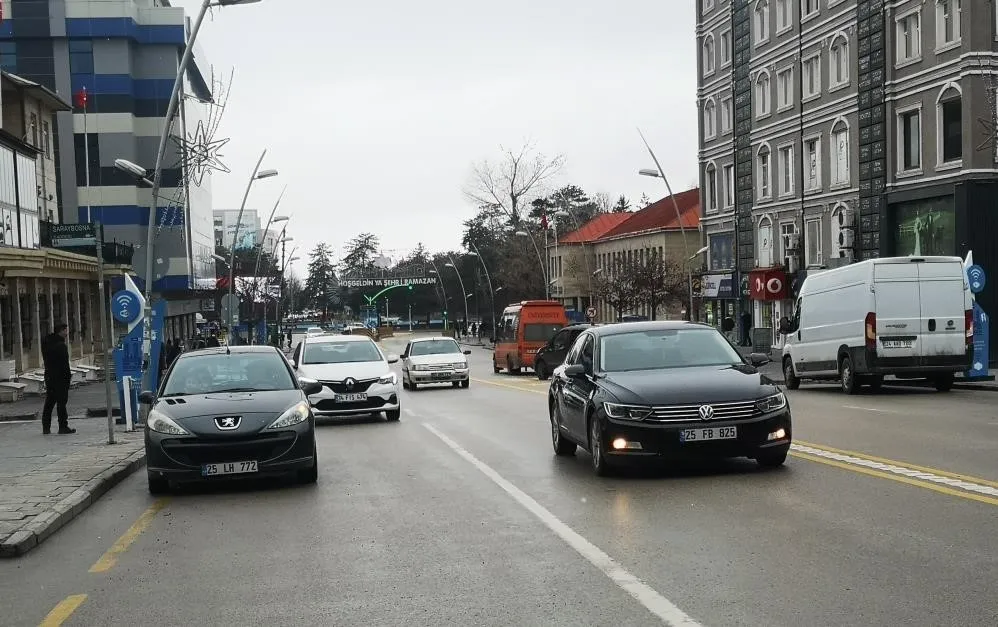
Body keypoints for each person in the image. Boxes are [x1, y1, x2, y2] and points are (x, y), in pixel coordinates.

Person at [41, 323, 75, 435]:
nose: (67, 333)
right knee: (61, 402)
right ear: (61, 331)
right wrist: (68, 377)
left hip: (49, 376)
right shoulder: (61, 346)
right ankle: (63, 426)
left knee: (49, 402)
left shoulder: (46, 343)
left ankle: (46, 427)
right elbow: (64, 364)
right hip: (60, 378)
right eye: (66, 330)